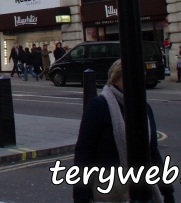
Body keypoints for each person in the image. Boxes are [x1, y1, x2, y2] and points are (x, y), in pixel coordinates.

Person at [73, 60, 174, 203]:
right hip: (109, 189)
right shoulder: (99, 106)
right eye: (131, 78)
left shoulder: (144, 108)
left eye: (140, 78)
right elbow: (84, 152)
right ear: (115, 80)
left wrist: (167, 190)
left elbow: (152, 152)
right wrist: (81, 196)